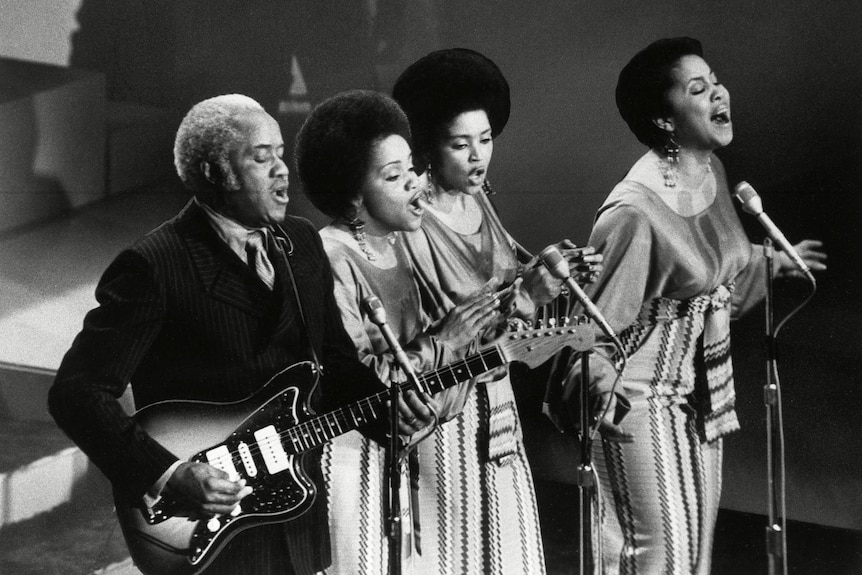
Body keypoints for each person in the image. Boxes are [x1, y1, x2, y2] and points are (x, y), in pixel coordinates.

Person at [48, 94, 432, 575]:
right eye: (260, 156)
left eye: (280, 152)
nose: (281, 170)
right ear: (215, 173)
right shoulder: (155, 264)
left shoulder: (302, 243)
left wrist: (384, 410)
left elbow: (332, 363)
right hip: (209, 524)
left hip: (292, 513)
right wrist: (169, 474)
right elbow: (76, 392)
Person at [564, 38, 827, 574]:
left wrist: (769, 261)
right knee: (656, 557)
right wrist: (595, 379)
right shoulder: (633, 212)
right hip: (636, 395)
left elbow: (712, 265)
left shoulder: (711, 172)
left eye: (716, 81)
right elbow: (591, 324)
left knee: (692, 559)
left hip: (698, 397)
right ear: (664, 120)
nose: (719, 93)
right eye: (698, 88)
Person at [392, 48, 603, 574]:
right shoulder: (410, 216)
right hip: (444, 411)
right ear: (426, 146)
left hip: (499, 408)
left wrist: (557, 272)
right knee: (456, 555)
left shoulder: (481, 199)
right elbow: (430, 326)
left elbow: (513, 283)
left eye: (485, 141)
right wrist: (525, 296)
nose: (477, 157)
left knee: (510, 552)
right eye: (460, 144)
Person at [295, 88, 504, 574]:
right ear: (352, 195)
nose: (414, 184)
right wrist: (446, 342)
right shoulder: (331, 258)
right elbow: (357, 382)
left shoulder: (402, 242)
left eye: (411, 168)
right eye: (394, 176)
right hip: (352, 457)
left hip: (407, 455)